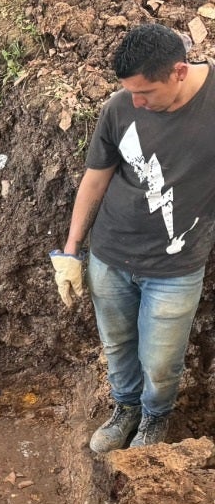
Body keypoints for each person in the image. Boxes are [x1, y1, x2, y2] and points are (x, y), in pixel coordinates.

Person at [51, 23, 215, 453]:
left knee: (161, 363)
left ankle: (154, 420)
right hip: (111, 255)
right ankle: (124, 409)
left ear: (179, 72)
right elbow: (95, 179)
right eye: (130, 92)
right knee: (117, 345)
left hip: (175, 268)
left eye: (146, 93)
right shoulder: (120, 106)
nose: (136, 102)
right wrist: (71, 250)